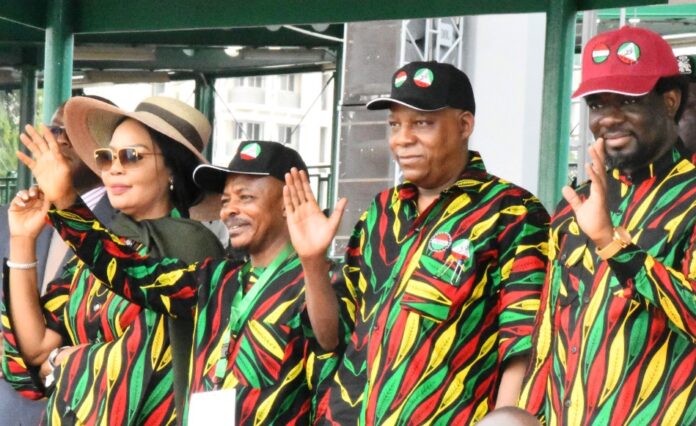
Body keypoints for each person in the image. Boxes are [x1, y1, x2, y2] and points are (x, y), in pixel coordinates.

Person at [291, 61, 550, 424]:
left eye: (422, 123)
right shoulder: (380, 213)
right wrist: (312, 262)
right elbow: (331, 337)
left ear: (464, 125)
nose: (402, 139)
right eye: (395, 125)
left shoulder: (511, 211)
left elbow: (524, 340)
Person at [20, 139, 345, 424]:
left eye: (245, 197)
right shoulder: (218, 279)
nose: (229, 210)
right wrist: (65, 200)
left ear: (290, 204)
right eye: (225, 200)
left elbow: (329, 341)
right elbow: (128, 272)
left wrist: (312, 262)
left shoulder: (324, 281)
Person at [5, 96, 225, 424]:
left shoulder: (190, 244)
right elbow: (36, 348)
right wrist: (23, 241)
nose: (114, 168)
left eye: (131, 156)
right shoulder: (101, 244)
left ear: (171, 169)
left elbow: (143, 361)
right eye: (106, 157)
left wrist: (68, 359)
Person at [519, 26, 695, 425]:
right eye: (598, 105)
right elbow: (548, 337)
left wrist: (614, 246)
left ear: (669, 101)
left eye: (627, 101)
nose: (609, 119)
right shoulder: (572, 208)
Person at [0, 95, 116, 426]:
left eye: (76, 130)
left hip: (80, 412)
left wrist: (15, 354)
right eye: (55, 129)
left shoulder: (127, 231)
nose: (60, 138)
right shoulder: (9, 219)